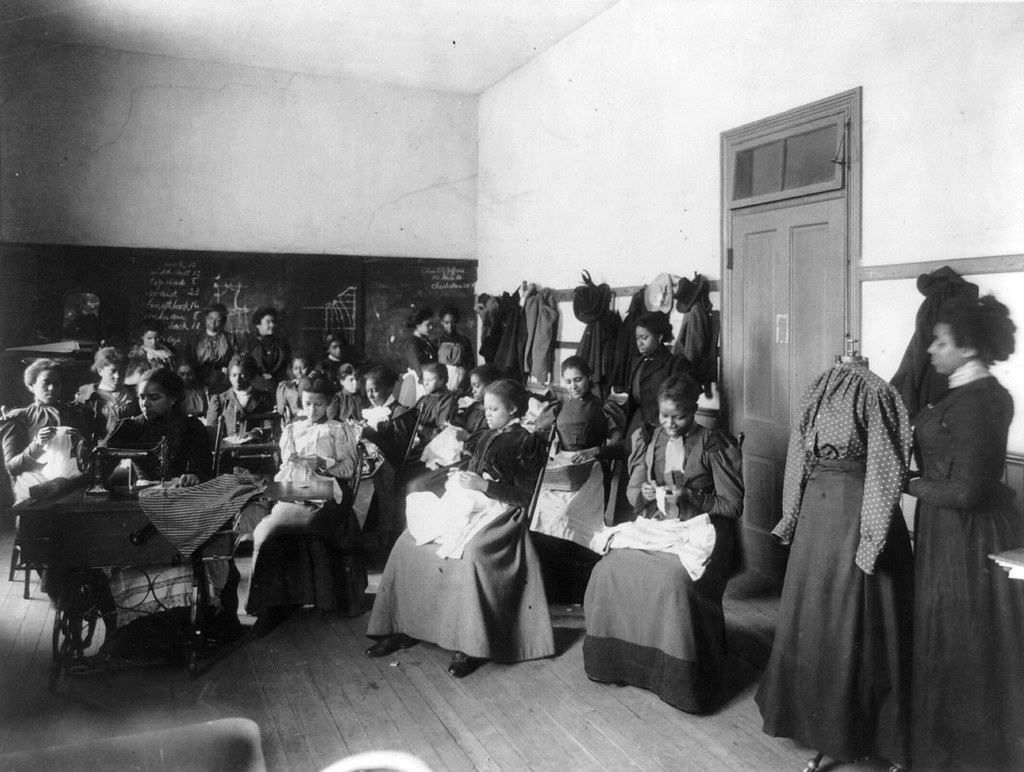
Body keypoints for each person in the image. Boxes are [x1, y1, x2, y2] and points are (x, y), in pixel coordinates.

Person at [755, 356, 914, 770]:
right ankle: (822, 727)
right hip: (821, 515)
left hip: (854, 513)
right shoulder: (820, 385)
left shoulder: (876, 391)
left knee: (853, 619)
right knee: (820, 617)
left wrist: (872, 538)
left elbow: (884, 468)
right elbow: (798, 455)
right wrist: (792, 516)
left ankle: (867, 733)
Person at [366, 378, 554, 678]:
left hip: (503, 511)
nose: (488, 414)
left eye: (495, 409)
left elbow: (525, 497)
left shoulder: (526, 443)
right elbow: (473, 468)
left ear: (514, 409)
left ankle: (471, 644)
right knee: (409, 542)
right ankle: (405, 625)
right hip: (471, 501)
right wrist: (463, 474)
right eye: (486, 408)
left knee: (473, 553)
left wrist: (484, 485)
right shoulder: (486, 434)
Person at [907, 295, 1024, 770]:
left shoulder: (981, 401)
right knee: (948, 636)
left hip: (970, 535)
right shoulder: (960, 392)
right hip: (949, 531)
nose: (931, 350)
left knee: (965, 640)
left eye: (941, 342)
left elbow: (965, 492)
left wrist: (905, 481)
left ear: (969, 348)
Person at [583, 374, 743, 714]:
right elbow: (632, 493)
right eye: (664, 416)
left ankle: (678, 678)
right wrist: (642, 494)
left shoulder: (712, 443)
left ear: (694, 411)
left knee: (673, 583)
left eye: (680, 416)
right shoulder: (648, 438)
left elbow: (732, 506)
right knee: (608, 569)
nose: (670, 424)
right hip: (660, 527)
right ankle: (619, 664)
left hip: (703, 531)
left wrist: (692, 496)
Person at [246, 375, 365, 636]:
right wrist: (293, 462)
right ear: (300, 402)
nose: (312, 410)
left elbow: (348, 469)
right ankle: (271, 605)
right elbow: (284, 468)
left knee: (303, 525)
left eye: (319, 404)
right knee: (266, 533)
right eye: (307, 404)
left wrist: (323, 463)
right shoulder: (293, 429)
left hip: (327, 494)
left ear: (330, 403)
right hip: (296, 490)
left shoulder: (339, 429)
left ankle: (319, 595)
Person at [531, 357, 623, 555]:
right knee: (540, 505)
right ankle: (547, 556)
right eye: (569, 381)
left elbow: (621, 446)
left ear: (589, 378)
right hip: (562, 469)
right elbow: (542, 437)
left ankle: (575, 555)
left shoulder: (604, 407)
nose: (573, 385)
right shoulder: (559, 407)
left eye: (578, 379)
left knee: (567, 513)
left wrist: (597, 451)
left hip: (593, 468)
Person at [1, 359, 88, 504]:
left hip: (71, 484)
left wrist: (81, 444)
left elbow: (90, 458)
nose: (52, 388)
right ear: (31, 385)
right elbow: (11, 467)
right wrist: (37, 445)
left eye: (57, 383)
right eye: (45, 383)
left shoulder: (75, 413)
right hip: (35, 485)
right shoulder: (20, 418)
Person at [76, 347, 140, 441]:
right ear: (100, 371)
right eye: (112, 371)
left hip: (132, 446)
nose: (117, 376)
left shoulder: (135, 393)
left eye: (122, 371)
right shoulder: (87, 395)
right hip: (100, 448)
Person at [206, 354, 275, 437]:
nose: (237, 380)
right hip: (227, 449)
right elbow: (211, 431)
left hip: (255, 448)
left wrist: (257, 432)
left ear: (251, 375)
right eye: (234, 375)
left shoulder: (263, 398)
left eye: (242, 375)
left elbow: (270, 427)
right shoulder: (219, 400)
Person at [186, 303, 238, 387]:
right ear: (205, 318)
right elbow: (189, 361)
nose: (213, 323)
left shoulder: (230, 338)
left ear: (223, 322)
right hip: (199, 379)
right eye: (210, 318)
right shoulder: (195, 339)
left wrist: (228, 368)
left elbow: (235, 358)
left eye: (218, 320)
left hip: (223, 380)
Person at [246, 307, 291, 386]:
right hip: (254, 383)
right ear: (258, 324)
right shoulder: (249, 343)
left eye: (273, 322)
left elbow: (287, 366)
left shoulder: (281, 343)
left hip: (278, 383)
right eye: (268, 322)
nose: (272, 325)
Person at [437, 304, 476, 392]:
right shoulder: (437, 341)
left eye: (453, 322)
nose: (450, 326)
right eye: (447, 322)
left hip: (461, 380)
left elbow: (470, 365)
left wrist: (463, 385)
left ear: (456, 322)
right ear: (442, 323)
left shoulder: (464, 340)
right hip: (443, 381)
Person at [127, 318, 175, 384]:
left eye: (157, 338)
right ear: (142, 337)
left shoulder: (166, 352)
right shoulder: (138, 354)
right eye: (149, 338)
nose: (153, 342)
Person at [404, 306, 437, 380]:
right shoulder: (412, 344)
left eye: (432, 324)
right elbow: (417, 367)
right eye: (428, 325)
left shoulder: (427, 342)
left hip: (431, 377)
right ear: (418, 325)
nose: (431, 327)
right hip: (420, 379)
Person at [276, 353, 313, 421]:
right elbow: (281, 410)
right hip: (294, 421)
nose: (299, 372)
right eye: (296, 368)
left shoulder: (314, 384)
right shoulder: (285, 386)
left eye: (303, 368)